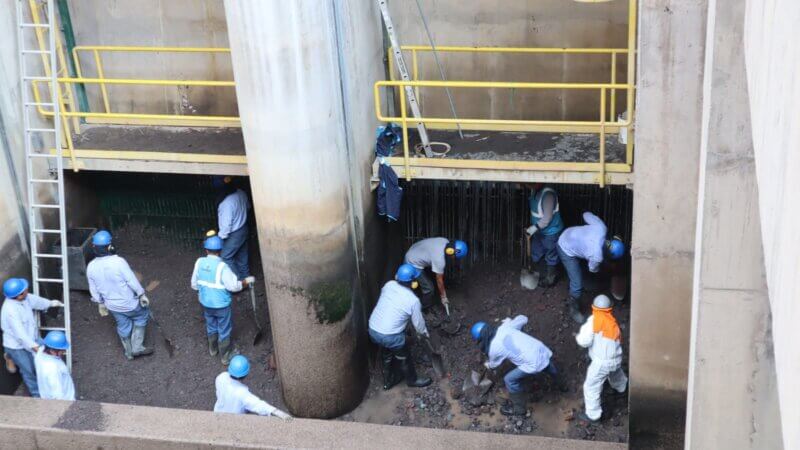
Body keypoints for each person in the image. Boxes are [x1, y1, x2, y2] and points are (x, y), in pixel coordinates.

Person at [471, 315, 567, 417]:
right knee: (547, 365)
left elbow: (494, 364)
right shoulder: (505, 327)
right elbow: (524, 318)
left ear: (482, 338)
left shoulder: (493, 348)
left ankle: (520, 410)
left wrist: (488, 365)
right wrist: (510, 321)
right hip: (540, 349)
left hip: (533, 362)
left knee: (509, 380)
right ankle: (563, 386)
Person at [86, 230, 153, 360]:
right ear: (110, 246)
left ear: (94, 248)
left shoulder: (91, 266)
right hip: (130, 304)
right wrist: (141, 294)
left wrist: (100, 302)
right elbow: (131, 281)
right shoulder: (119, 262)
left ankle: (128, 352)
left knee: (123, 324)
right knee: (141, 316)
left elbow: (93, 289)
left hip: (112, 306)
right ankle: (137, 347)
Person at [191, 234, 254, 365]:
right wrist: (246, 281)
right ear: (220, 251)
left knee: (211, 325)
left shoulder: (199, 262)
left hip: (206, 304)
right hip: (221, 306)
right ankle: (225, 355)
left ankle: (213, 349)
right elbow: (234, 287)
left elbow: (194, 285)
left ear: (206, 250)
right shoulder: (223, 267)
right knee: (224, 328)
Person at [368, 264, 432, 390]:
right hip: (390, 336)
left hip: (373, 330)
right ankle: (413, 380)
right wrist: (424, 334)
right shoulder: (413, 300)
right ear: (414, 282)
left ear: (397, 277)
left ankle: (388, 381)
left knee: (386, 351)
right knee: (404, 356)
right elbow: (418, 325)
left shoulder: (389, 285)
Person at [556, 212, 625, 324]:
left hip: (569, 233)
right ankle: (574, 308)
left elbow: (586, 215)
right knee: (576, 282)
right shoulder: (597, 256)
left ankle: (584, 275)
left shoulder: (601, 228)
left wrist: (588, 231)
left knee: (584, 261)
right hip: (564, 247)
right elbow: (592, 269)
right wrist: (601, 269)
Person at [0, 278, 63, 397]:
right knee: (28, 370)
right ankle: (37, 395)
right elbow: (20, 335)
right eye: (24, 290)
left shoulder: (25, 297)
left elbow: (36, 301)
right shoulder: (10, 311)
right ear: (19, 295)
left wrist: (50, 303)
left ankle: (9, 355)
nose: (27, 290)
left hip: (32, 337)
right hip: (16, 345)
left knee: (47, 355)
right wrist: (35, 348)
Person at [576, 295, 628, 423]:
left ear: (594, 307)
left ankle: (593, 416)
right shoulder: (612, 321)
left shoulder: (594, 320)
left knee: (591, 386)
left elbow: (584, 341)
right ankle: (622, 388)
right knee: (615, 373)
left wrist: (578, 336)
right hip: (616, 358)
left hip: (602, 362)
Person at [214, 355, 292, 420]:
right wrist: (276, 412)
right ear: (245, 374)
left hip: (217, 413)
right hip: (234, 420)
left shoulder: (221, 377)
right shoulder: (242, 393)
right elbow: (258, 405)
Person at [403, 237, 468, 309]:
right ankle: (422, 308)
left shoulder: (444, 241)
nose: (454, 259)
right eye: (455, 257)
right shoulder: (439, 260)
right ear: (451, 251)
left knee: (432, 274)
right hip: (412, 262)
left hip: (414, 250)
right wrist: (443, 297)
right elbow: (439, 281)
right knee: (429, 288)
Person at [525, 184, 564, 287]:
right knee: (536, 252)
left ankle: (550, 279)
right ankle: (539, 273)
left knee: (551, 255)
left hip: (551, 232)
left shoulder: (548, 195)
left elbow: (546, 219)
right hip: (539, 230)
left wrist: (533, 229)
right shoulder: (534, 191)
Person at [213, 176, 251, 280]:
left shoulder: (226, 203)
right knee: (242, 257)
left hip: (233, 234)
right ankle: (246, 280)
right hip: (243, 228)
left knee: (226, 257)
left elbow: (226, 226)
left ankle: (237, 282)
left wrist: (220, 238)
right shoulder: (241, 193)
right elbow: (248, 207)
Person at [34, 331, 75, 401]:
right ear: (52, 351)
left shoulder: (39, 354)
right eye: (62, 350)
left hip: (46, 398)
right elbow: (57, 394)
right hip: (66, 402)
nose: (64, 351)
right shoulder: (53, 368)